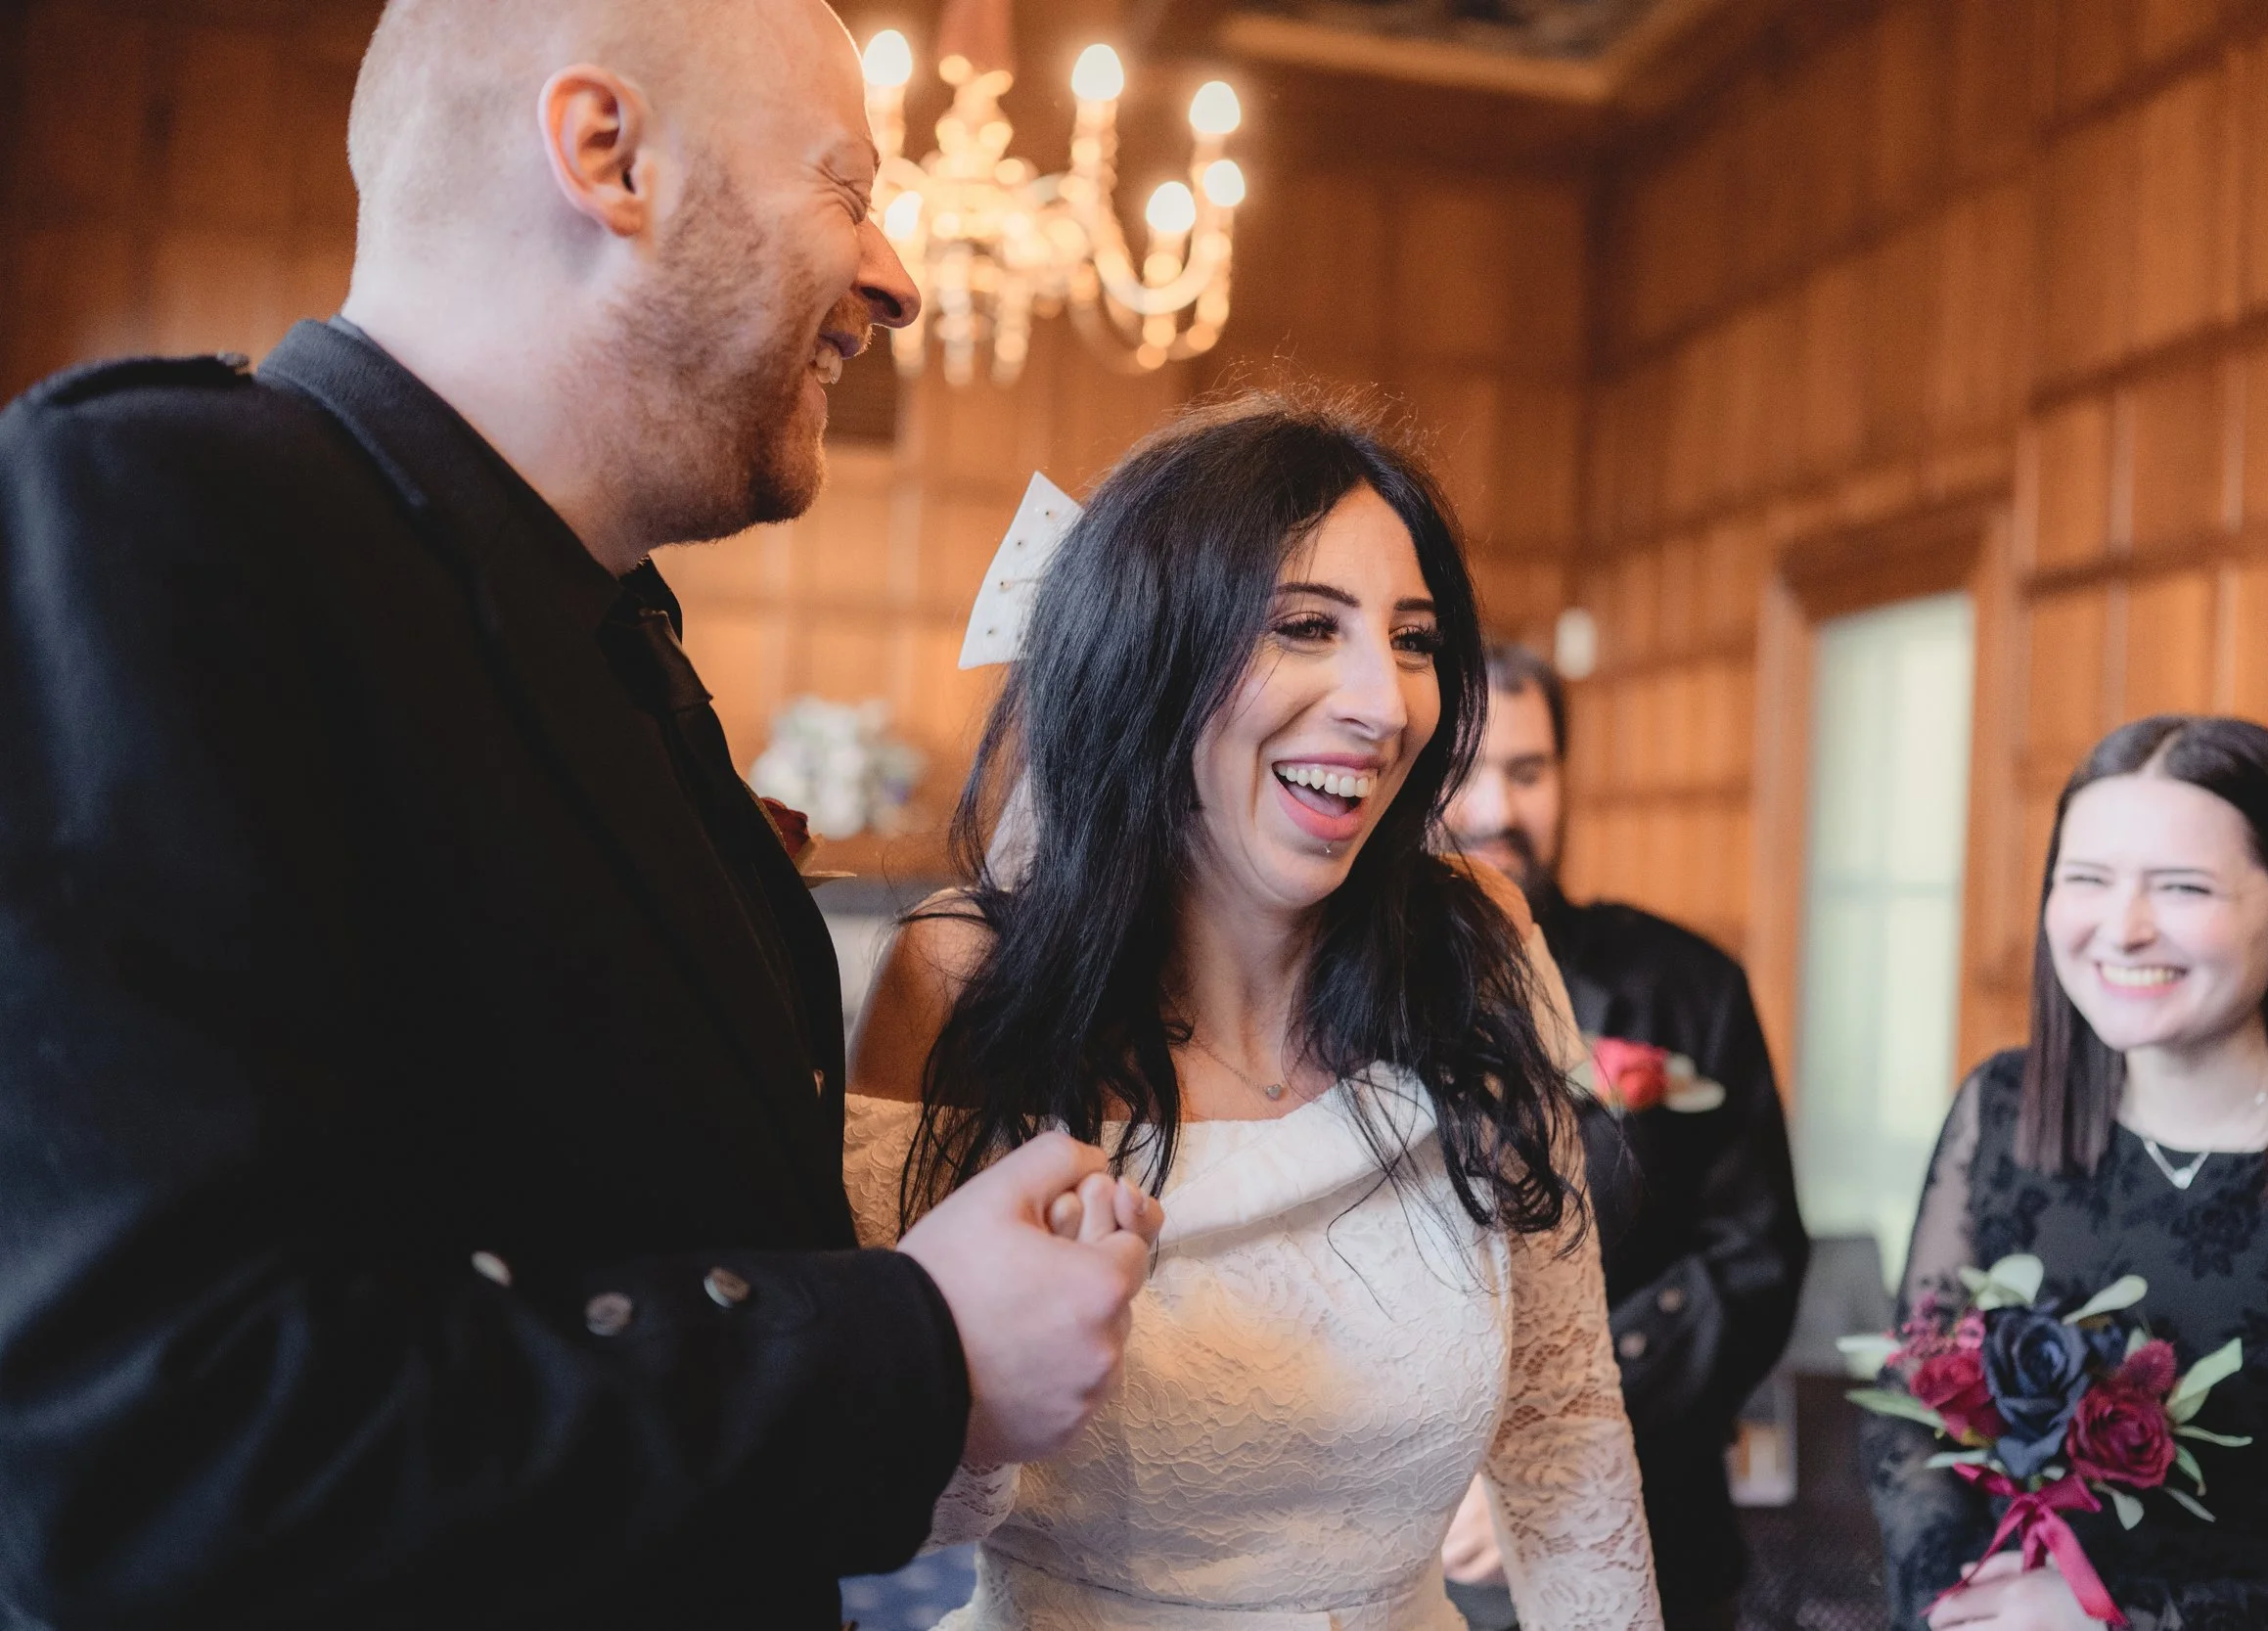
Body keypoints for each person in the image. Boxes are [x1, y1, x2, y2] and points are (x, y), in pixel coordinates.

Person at [0, 2, 1153, 1625]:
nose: (897, 276)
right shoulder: (152, 523)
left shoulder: (619, 639)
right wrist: (917, 1345)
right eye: (846, 188)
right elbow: (153, 1448)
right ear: (609, 156)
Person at [842, 393, 1664, 1629]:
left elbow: (1563, 1424)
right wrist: (987, 1380)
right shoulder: (963, 975)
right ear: (1148, 652)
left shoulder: (1473, 941)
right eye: (1304, 626)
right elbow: (882, 1499)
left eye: (1412, 638)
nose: (1384, 704)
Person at [1865, 714, 2268, 1631]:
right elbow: (1910, 1414)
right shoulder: (2000, 1108)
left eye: (2182, 887)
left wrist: (2124, 1622)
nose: (2123, 929)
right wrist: (1954, 1601)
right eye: (2087, 879)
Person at [1440, 643, 1810, 1631]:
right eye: (1462, 770)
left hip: (1652, 1536)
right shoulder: (1323, 1000)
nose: (1496, 809)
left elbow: (1754, 1262)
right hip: (1396, 1559)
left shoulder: (1688, 986)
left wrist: (1548, 1453)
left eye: (1526, 771)